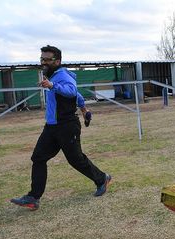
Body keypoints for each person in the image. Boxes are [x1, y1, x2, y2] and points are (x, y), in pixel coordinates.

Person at [11, 45, 111, 210]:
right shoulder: (52, 76)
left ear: (57, 61)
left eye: (47, 59)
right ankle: (33, 197)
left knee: (76, 160)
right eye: (41, 58)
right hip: (51, 127)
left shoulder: (62, 75)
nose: (43, 62)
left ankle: (102, 178)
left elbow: (71, 91)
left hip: (67, 126)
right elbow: (77, 95)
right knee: (38, 158)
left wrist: (52, 86)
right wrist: (84, 109)